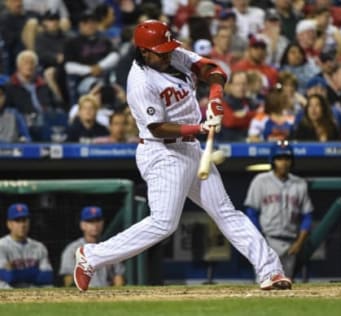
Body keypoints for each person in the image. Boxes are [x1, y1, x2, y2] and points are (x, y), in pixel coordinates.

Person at [73, 20, 292, 292]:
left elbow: (213, 70)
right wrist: (200, 127)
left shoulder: (172, 55)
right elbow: (158, 128)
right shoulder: (139, 81)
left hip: (190, 148)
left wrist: (214, 96)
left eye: (167, 48)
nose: (166, 55)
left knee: (226, 211)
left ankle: (270, 270)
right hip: (162, 151)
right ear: (143, 51)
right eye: (159, 51)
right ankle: (91, 256)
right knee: (164, 223)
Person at [244, 141, 313, 279]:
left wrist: (299, 243)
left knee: (286, 285)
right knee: (265, 282)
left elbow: (307, 216)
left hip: (290, 244)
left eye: (287, 158)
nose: (283, 162)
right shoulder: (260, 181)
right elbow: (251, 213)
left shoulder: (300, 184)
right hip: (267, 240)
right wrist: (260, 240)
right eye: (279, 158)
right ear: (273, 161)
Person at [59, 206, 125, 287]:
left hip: (107, 294)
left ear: (102, 223)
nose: (95, 225)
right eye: (90, 221)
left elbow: (118, 277)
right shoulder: (72, 249)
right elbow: (68, 279)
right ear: (82, 225)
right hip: (83, 293)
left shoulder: (109, 247)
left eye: (98, 221)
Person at [0, 203, 53, 289]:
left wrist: (15, 272)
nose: (22, 225)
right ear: (9, 224)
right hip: (8, 296)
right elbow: (7, 276)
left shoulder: (39, 247)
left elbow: (47, 277)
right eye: (17, 220)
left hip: (35, 296)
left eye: (24, 220)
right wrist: (36, 272)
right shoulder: (1, 246)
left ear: (29, 222)